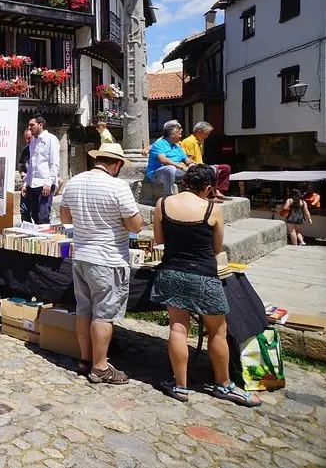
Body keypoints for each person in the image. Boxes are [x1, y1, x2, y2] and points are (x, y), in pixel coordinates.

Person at [152, 164, 261, 407]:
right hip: (204, 275)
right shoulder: (213, 208)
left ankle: (180, 384)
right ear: (209, 187)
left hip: (171, 271)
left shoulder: (162, 204)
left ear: (184, 181)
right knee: (217, 330)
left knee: (178, 329)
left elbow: (159, 239)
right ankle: (223, 384)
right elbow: (216, 248)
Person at [60, 143, 143, 383]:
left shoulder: (74, 181)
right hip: (108, 257)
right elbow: (135, 226)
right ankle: (100, 366)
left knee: (84, 310)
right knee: (103, 314)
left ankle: (86, 359)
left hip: (82, 255)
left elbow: (66, 218)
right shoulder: (118, 186)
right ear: (116, 164)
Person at [179, 122, 232, 200]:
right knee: (214, 169)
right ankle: (213, 194)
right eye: (206, 134)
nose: (207, 136)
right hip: (194, 167)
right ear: (199, 132)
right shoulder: (189, 142)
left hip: (201, 165)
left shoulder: (199, 142)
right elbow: (188, 160)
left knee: (225, 168)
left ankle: (219, 191)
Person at [22, 115, 60, 224]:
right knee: (34, 215)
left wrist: (49, 183)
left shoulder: (51, 139)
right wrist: (26, 184)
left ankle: (46, 239)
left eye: (32, 125)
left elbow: (54, 163)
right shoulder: (33, 143)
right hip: (33, 183)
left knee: (43, 215)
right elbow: (32, 165)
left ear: (41, 125)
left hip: (44, 183)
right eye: (29, 125)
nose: (29, 128)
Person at [146, 120, 194, 196]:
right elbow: (163, 160)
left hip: (176, 172)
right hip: (157, 174)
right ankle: (168, 195)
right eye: (179, 134)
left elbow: (186, 159)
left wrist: (192, 164)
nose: (181, 136)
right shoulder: (158, 144)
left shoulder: (177, 146)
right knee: (170, 168)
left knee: (199, 170)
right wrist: (180, 167)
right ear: (172, 134)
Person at [17, 128, 33, 222]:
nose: (27, 141)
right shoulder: (25, 150)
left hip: (35, 185)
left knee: (37, 213)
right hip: (25, 185)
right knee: (24, 210)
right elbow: (20, 165)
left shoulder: (39, 150)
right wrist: (22, 172)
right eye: (26, 139)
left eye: (29, 138)